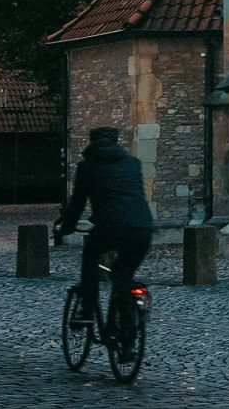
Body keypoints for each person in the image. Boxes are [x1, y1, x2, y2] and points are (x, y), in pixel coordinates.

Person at [55, 127, 156, 345]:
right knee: (123, 274)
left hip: (110, 227)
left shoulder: (87, 166)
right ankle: (127, 336)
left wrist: (65, 228)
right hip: (142, 228)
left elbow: (77, 202)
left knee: (91, 255)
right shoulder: (133, 163)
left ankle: (87, 308)